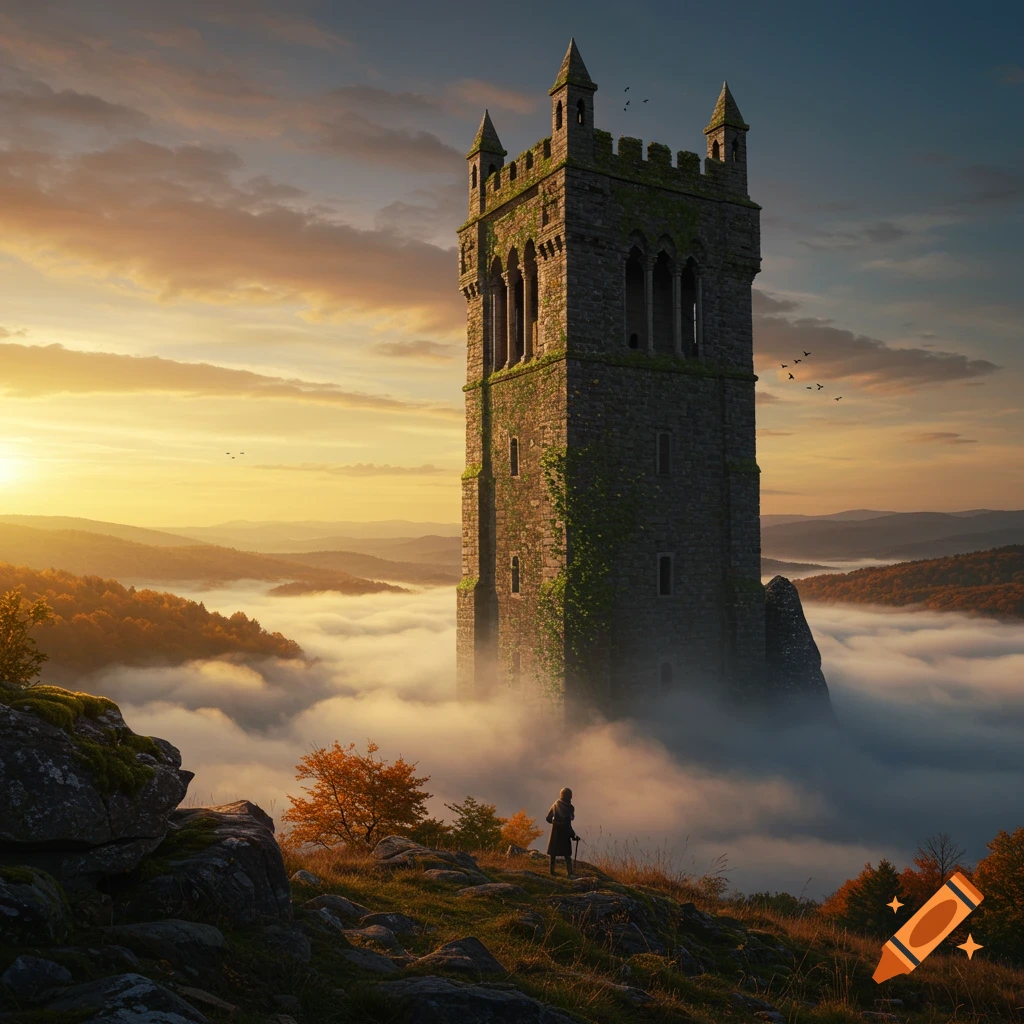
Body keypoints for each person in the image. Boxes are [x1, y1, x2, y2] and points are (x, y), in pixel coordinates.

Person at [545, 786, 578, 877]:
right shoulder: (570, 808)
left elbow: (548, 819)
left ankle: (552, 872)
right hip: (564, 833)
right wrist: (573, 835)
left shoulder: (555, 804)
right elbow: (568, 824)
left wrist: (555, 822)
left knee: (553, 853)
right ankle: (570, 873)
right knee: (567, 855)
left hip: (555, 832)